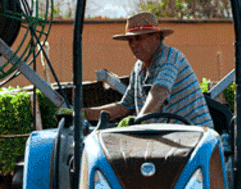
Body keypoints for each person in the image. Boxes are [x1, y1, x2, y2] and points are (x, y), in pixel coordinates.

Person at [82, 12, 212, 128]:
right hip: (166, 141)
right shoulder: (138, 69)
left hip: (195, 138)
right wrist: (81, 114)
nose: (133, 45)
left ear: (156, 37)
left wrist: (139, 122)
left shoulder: (170, 57)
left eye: (138, 38)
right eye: (130, 40)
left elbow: (159, 92)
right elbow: (123, 108)